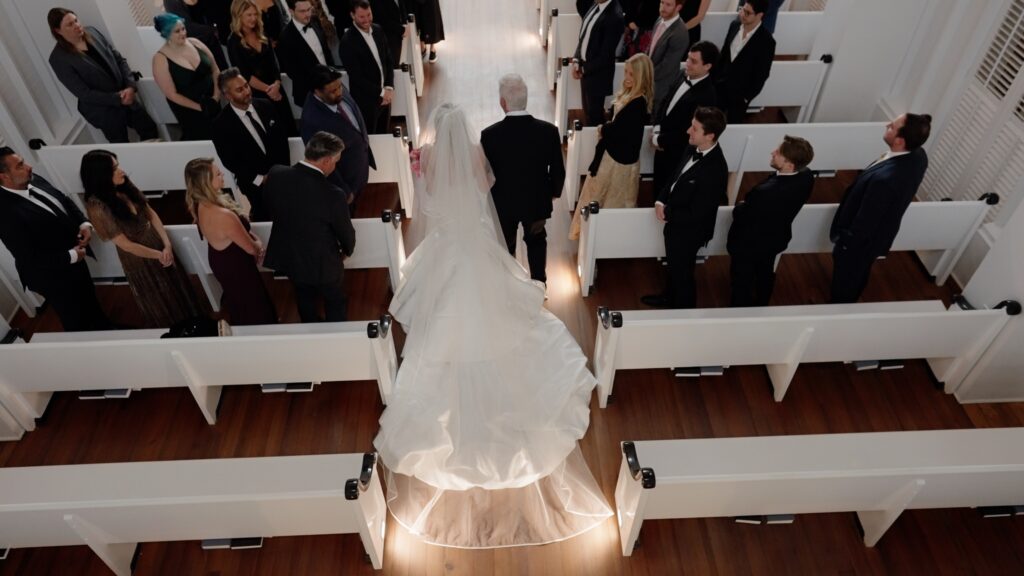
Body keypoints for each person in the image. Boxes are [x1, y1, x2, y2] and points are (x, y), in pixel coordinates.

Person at [373, 103, 611, 549]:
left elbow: (428, 199)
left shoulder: (430, 162)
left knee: (441, 317)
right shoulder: (474, 152)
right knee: (500, 307)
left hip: (447, 245)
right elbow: (487, 185)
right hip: (473, 242)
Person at [80, 150, 203, 328]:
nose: (121, 171)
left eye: (118, 165)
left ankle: (194, 321)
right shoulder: (97, 206)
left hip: (156, 242)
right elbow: (125, 244)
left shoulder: (123, 185)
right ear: (101, 175)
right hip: (140, 257)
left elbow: (150, 212)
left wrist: (166, 244)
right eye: (114, 169)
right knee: (160, 296)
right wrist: (158, 255)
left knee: (177, 286)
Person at [0, 147, 109, 332]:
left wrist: (83, 223)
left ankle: (105, 328)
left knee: (89, 298)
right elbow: (30, 258)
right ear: (4, 177)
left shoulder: (33, 179)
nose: (28, 167)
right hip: (52, 275)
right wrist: (72, 256)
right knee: (74, 317)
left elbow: (63, 199)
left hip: (75, 256)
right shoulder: (5, 214)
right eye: (20, 166)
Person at [830, 113, 931, 303]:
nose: (887, 125)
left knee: (845, 281)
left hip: (859, 244)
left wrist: (845, 244)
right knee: (858, 275)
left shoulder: (885, 180)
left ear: (900, 141)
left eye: (892, 127)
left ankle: (839, 308)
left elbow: (865, 222)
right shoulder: (918, 155)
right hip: (877, 237)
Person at [481, 74, 566, 285]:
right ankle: (539, 283)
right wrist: (554, 192)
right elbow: (558, 170)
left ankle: (508, 285)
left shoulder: (489, 135)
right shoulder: (548, 132)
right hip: (536, 201)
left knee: (506, 244)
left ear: (503, 102)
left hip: (503, 203)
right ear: (525, 99)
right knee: (536, 241)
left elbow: (485, 173)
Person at [263, 132, 355, 322]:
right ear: (327, 161)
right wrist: (347, 250)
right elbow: (344, 231)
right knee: (335, 300)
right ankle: (336, 336)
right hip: (322, 261)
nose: (335, 166)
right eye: (336, 161)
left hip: (290, 256)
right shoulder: (333, 194)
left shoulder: (276, 174)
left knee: (303, 296)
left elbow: (271, 205)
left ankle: (310, 329)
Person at [643, 106, 728, 309]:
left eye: (695, 128)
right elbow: (674, 177)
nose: (688, 131)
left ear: (710, 136)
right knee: (674, 266)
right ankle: (668, 297)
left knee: (683, 274)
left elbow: (698, 213)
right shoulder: (693, 147)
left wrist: (668, 213)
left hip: (690, 231)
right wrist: (660, 200)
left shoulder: (715, 170)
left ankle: (683, 311)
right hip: (676, 223)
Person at [569, 53, 653, 240]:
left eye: (632, 75)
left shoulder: (638, 103)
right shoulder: (631, 96)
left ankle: (601, 240)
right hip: (611, 155)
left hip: (618, 162)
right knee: (597, 195)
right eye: (626, 73)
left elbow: (617, 130)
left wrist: (604, 128)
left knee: (607, 200)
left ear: (642, 77)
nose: (627, 78)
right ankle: (590, 237)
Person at [184, 158, 276, 325]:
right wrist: (259, 244)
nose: (222, 175)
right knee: (253, 304)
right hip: (235, 265)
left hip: (220, 259)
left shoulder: (200, 203)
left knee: (239, 303)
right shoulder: (223, 215)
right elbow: (251, 249)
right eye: (218, 174)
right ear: (206, 182)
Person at [727, 135, 815, 307]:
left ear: (790, 165)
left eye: (779, 153)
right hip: (775, 238)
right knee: (765, 273)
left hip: (749, 244)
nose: (773, 153)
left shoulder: (765, 192)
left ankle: (740, 309)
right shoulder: (807, 177)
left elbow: (741, 213)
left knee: (741, 281)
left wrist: (742, 205)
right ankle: (761, 302)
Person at [47, 8, 158, 144]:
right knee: (121, 145)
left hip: (126, 95)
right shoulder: (59, 59)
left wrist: (130, 86)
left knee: (150, 129)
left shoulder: (92, 32)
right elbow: (84, 93)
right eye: (70, 24)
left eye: (76, 20)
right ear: (57, 31)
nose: (76, 25)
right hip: (103, 110)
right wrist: (118, 99)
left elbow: (119, 59)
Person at [212, 68, 292, 222]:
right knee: (266, 219)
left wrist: (282, 171)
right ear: (227, 95)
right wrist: (260, 179)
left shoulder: (266, 105)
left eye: (246, 86)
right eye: (239, 90)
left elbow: (281, 140)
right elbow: (230, 160)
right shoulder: (220, 125)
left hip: (281, 176)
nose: (247, 91)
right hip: (255, 185)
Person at [300, 65, 376, 210]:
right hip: (346, 181)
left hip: (359, 164)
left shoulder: (336, 87)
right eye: (333, 91)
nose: (339, 92)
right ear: (318, 92)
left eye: (340, 86)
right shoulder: (311, 121)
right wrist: (344, 191)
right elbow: (322, 162)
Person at [651, 40, 718, 196]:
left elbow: (688, 132)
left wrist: (660, 140)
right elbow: (665, 101)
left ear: (707, 66)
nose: (687, 63)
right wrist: (657, 127)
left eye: (693, 61)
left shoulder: (707, 97)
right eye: (688, 58)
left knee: (667, 191)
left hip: (677, 154)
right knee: (657, 186)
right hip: (662, 142)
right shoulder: (683, 74)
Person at [226, 0, 297, 136]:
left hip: (276, 89)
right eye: (249, 15)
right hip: (257, 94)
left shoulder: (261, 32)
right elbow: (245, 74)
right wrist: (268, 90)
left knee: (289, 127)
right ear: (239, 16)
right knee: (272, 132)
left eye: (255, 14)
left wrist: (276, 84)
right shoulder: (233, 41)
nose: (253, 18)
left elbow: (274, 63)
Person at [152, 13, 222, 141]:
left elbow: (215, 69)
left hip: (213, 102)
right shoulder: (160, 59)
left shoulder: (196, 43)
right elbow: (171, 94)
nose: (183, 33)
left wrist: (216, 97)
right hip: (190, 112)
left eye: (183, 29)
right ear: (166, 33)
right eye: (177, 31)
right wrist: (200, 107)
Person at [714, 0, 775, 124]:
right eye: (742, 9)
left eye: (747, 13)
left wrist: (746, 98)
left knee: (732, 125)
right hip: (721, 86)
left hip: (740, 96)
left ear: (760, 15)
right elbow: (724, 55)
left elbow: (762, 74)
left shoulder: (767, 42)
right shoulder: (734, 25)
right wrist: (715, 79)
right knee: (712, 121)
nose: (742, 14)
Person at [339, 1, 395, 134]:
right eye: (362, 17)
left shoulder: (378, 30)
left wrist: (388, 87)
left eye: (369, 15)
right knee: (370, 136)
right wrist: (381, 93)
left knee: (384, 133)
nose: (367, 20)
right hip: (367, 102)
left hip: (386, 96)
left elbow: (388, 60)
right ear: (352, 15)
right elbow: (357, 77)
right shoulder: (347, 42)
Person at [572, 0, 624, 126]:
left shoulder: (615, 16)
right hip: (586, 69)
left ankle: (597, 144)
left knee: (594, 116)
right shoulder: (596, 4)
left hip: (598, 75)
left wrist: (583, 69)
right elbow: (584, 35)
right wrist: (576, 60)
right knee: (588, 112)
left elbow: (605, 55)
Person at [276, 0, 336, 107]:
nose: (307, 14)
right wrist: (319, 87)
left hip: (330, 86)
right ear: (291, 11)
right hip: (309, 94)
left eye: (309, 9)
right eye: (302, 11)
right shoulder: (285, 37)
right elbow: (293, 72)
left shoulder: (315, 21)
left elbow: (326, 52)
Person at [647, 0, 690, 114]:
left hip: (660, 88)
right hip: (649, 82)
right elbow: (651, 47)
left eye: (668, 5)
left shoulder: (680, 33)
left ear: (678, 7)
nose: (663, 7)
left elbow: (667, 67)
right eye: (661, 2)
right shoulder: (659, 20)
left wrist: (645, 75)